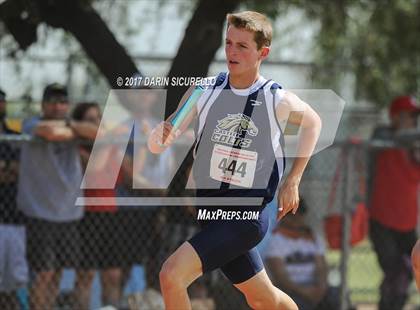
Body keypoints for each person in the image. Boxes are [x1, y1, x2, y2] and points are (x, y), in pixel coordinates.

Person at [148, 11, 321, 310]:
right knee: (264, 300)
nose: (232, 51)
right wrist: (158, 137)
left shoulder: (274, 99)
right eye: (229, 43)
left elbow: (313, 123)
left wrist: (293, 179)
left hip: (245, 217)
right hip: (211, 215)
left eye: (242, 46)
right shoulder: (204, 90)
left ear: (262, 53)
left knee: (171, 275)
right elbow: (161, 141)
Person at [17, 84, 98, 310]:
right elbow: (51, 133)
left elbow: (97, 132)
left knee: (59, 272)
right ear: (43, 105)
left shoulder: (72, 124)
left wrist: (71, 126)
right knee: (43, 273)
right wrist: (74, 130)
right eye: (52, 101)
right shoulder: (31, 123)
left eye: (62, 102)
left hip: (69, 213)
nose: (57, 106)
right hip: (39, 212)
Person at [71, 102, 127, 309]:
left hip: (110, 213)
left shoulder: (108, 144)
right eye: (89, 119)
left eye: (97, 118)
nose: (95, 123)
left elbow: (119, 176)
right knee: (86, 274)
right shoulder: (76, 148)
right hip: (87, 214)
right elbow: (94, 170)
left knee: (113, 274)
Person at [367, 95, 420, 310]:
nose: (413, 120)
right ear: (395, 117)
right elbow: (397, 137)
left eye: (415, 117)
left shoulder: (414, 146)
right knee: (395, 270)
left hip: (407, 221)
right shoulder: (383, 135)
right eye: (408, 115)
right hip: (382, 221)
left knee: (408, 270)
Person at [265, 199, 340, 310]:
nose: (297, 219)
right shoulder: (275, 238)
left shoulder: (311, 237)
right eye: (292, 215)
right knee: (297, 303)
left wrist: (321, 287)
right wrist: (304, 292)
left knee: (336, 295)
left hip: (313, 285)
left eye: (300, 214)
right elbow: (280, 276)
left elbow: (321, 268)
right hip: (290, 289)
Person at [0, 89, 29, 310]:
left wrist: (7, 168)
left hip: (12, 217)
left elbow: (21, 169)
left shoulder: (13, 135)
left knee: (11, 284)